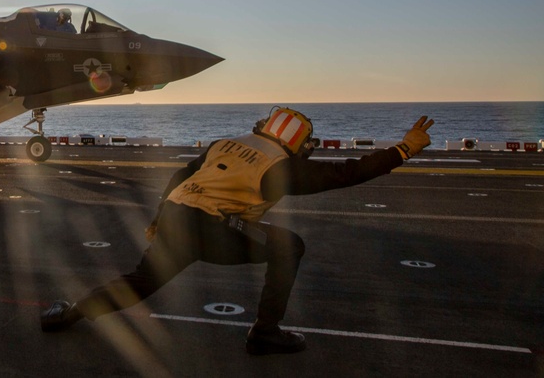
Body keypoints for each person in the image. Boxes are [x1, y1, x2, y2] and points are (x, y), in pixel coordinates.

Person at [40, 107, 435, 355]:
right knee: (289, 247)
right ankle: (265, 332)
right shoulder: (280, 165)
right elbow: (346, 173)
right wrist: (403, 149)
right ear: (295, 141)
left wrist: (159, 216)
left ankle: (70, 312)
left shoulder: (225, 142)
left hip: (176, 214)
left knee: (140, 281)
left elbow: (183, 174)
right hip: (215, 227)